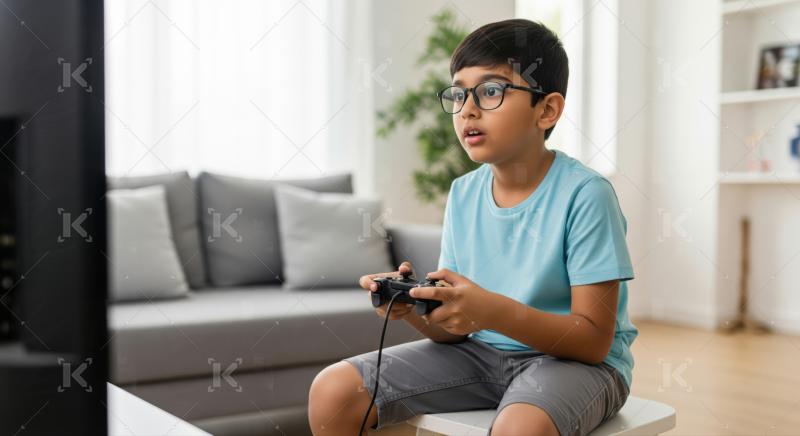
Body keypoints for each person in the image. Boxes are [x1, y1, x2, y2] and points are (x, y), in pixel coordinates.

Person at [308, 18, 637, 436]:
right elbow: (454, 332)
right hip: (479, 355)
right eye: (460, 93)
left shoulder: (586, 195)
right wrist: (416, 309)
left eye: (492, 90)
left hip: (577, 366)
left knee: (520, 428)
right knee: (332, 390)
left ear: (547, 109)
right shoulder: (464, 194)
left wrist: (491, 311)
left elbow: (593, 342)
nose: (468, 108)